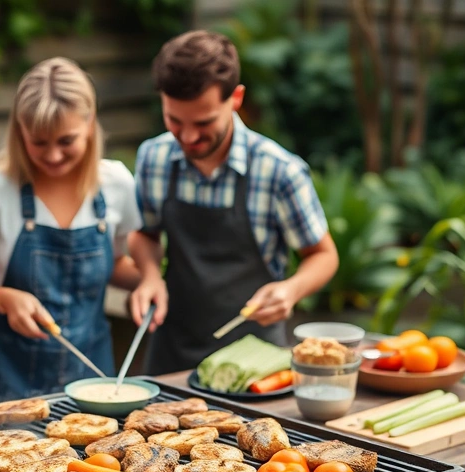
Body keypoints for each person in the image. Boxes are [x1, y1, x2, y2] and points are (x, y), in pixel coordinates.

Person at [128, 30, 339, 375]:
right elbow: (145, 234)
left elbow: (323, 255)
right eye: (174, 121)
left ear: (236, 98)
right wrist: (150, 275)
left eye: (204, 122)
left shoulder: (279, 171)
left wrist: (291, 290)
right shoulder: (154, 158)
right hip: (171, 357)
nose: (189, 137)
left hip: (253, 364)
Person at [0, 57, 144, 403]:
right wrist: (5, 299)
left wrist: (150, 280)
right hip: (9, 382)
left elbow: (116, 264)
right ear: (20, 131)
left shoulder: (115, 183)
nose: (54, 155)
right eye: (39, 142)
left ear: (90, 125)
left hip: (93, 379)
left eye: (66, 140)